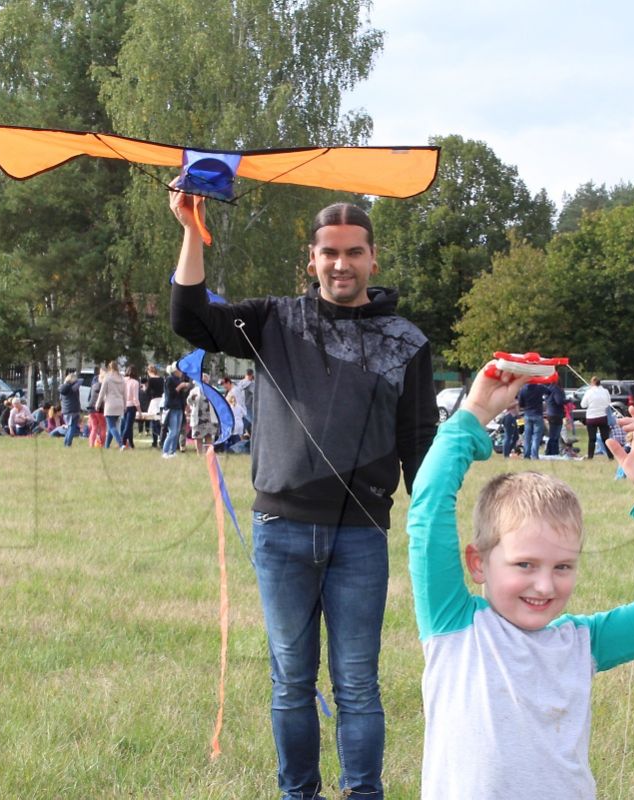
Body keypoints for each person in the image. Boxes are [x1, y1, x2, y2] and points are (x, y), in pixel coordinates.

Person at [169, 193, 437, 800]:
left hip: (361, 536)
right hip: (281, 531)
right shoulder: (273, 321)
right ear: (311, 259)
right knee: (291, 680)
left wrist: (433, 522)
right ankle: (299, 794)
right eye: (329, 254)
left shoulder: (405, 341)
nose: (341, 264)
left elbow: (419, 438)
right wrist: (190, 228)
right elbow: (190, 317)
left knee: (358, 685)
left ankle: (363, 793)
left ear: (372, 258)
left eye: (354, 253)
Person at [406, 363, 634, 798]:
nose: (545, 586)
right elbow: (428, 511)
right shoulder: (454, 625)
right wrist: (473, 412)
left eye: (562, 567)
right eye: (524, 565)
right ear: (477, 564)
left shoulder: (582, 643)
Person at [580, 376, 613, 461]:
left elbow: (583, 405)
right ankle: (610, 456)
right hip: (602, 417)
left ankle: (590, 456)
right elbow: (608, 403)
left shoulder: (589, 392)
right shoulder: (605, 391)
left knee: (592, 438)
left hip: (591, 418)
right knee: (605, 438)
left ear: (592, 383)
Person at [160, 365, 191, 458]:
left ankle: (172, 451)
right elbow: (171, 394)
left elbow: (181, 396)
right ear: (175, 370)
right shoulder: (169, 379)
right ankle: (165, 451)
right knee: (172, 431)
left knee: (177, 431)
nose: (181, 371)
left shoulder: (179, 380)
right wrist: (180, 386)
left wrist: (185, 404)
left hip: (179, 408)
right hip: (172, 407)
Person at [185, 373, 218, 455]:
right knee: (198, 436)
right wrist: (191, 398)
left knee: (208, 436)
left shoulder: (212, 389)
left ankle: (208, 454)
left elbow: (217, 401)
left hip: (209, 417)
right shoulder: (194, 390)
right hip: (198, 417)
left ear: (208, 381)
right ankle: (199, 454)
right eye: (202, 380)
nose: (204, 381)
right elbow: (189, 402)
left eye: (205, 380)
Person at [97, 361, 127, 450]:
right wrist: (124, 405)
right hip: (120, 404)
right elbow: (124, 394)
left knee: (111, 426)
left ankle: (121, 444)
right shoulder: (122, 378)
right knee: (111, 427)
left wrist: (98, 404)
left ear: (109, 368)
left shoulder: (107, 378)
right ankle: (106, 446)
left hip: (110, 404)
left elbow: (102, 393)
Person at [517, 381, 547, 459]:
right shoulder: (540, 387)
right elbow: (549, 392)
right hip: (537, 414)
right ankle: (534, 455)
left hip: (527, 414)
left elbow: (520, 404)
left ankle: (526, 455)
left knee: (527, 436)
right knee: (536, 436)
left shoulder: (523, 389)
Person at [144, 365, 166, 448]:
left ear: (149, 372)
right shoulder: (161, 379)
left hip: (154, 401)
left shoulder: (151, 380)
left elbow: (148, 392)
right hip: (161, 400)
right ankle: (162, 439)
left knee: (153, 421)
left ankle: (155, 441)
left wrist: (145, 389)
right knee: (160, 421)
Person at [58, 372, 83, 447]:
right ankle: (68, 443)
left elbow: (60, 398)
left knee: (69, 427)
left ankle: (66, 442)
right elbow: (81, 380)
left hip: (65, 411)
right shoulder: (73, 388)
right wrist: (75, 380)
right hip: (73, 410)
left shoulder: (62, 388)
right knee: (72, 428)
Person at [543, 381, 567, 456]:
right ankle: (553, 452)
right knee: (555, 435)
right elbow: (559, 401)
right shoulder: (556, 389)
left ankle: (549, 451)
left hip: (550, 413)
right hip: (556, 414)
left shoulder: (548, 389)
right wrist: (568, 400)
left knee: (552, 434)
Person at [121, 364, 141, 449]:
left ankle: (131, 443)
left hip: (122, 404)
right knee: (128, 426)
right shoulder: (135, 382)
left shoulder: (122, 380)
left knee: (127, 425)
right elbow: (135, 398)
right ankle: (122, 442)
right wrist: (139, 410)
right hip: (131, 405)